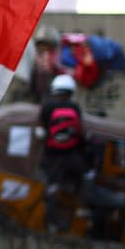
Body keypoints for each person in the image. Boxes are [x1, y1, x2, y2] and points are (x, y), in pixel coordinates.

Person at [39, 74, 88, 232]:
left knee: (50, 187)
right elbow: (79, 131)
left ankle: (49, 220)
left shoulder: (47, 107)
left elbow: (42, 128)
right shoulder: (75, 108)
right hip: (71, 154)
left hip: (51, 154)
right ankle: (81, 207)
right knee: (84, 177)